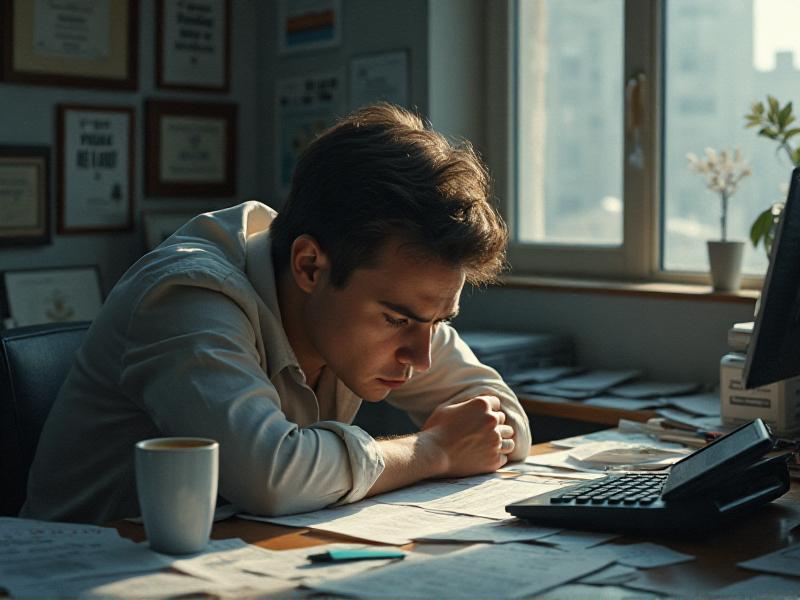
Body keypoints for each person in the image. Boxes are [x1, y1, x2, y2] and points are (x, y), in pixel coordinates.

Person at [22, 103, 532, 524]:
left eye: (440, 322)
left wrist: (472, 430)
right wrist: (434, 450)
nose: (420, 357)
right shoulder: (186, 293)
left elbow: (505, 420)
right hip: (77, 575)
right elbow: (271, 476)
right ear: (310, 266)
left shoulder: (390, 296)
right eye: (398, 321)